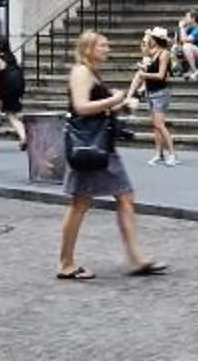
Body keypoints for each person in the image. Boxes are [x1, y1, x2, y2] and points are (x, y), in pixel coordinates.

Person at [55, 30, 162, 281]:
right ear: (89, 48)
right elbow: (81, 107)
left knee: (124, 197)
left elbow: (94, 105)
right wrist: (115, 98)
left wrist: (120, 105)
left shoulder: (90, 72)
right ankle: (65, 263)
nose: (107, 49)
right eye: (102, 46)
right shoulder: (81, 72)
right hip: (89, 147)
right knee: (80, 203)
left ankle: (136, 258)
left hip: (100, 147)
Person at [135, 29, 178, 165]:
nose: (150, 39)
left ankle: (172, 154)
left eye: (152, 38)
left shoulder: (164, 53)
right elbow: (144, 51)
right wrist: (144, 68)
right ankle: (159, 153)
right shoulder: (154, 53)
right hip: (151, 91)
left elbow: (161, 75)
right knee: (155, 125)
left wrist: (144, 75)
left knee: (160, 124)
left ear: (157, 39)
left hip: (160, 91)